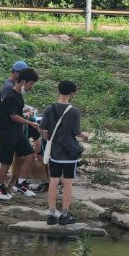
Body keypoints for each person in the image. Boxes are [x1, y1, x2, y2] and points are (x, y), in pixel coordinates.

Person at [40, 81, 89, 225]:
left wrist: (47, 136)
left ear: (59, 91)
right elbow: (77, 132)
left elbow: (42, 129)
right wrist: (85, 135)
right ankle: (65, 215)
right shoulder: (74, 111)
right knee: (68, 183)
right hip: (69, 154)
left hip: (55, 153)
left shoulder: (49, 109)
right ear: (72, 94)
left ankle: (51, 215)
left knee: (53, 181)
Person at [0, 67, 39, 200]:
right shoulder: (11, 95)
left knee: (30, 156)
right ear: (24, 81)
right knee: (6, 162)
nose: (31, 87)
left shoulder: (18, 95)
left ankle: (21, 184)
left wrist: (25, 114)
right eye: (31, 83)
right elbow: (13, 116)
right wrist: (29, 123)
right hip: (6, 134)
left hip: (17, 133)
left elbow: (16, 113)